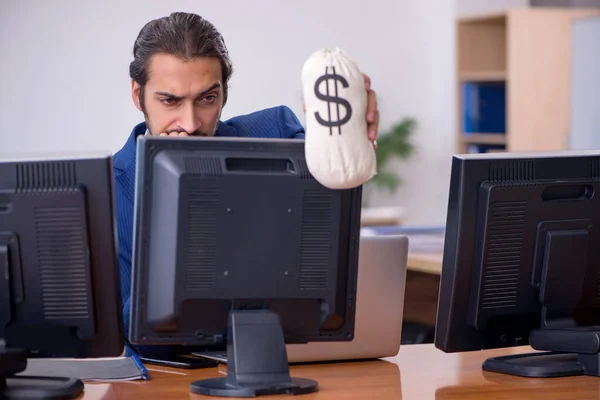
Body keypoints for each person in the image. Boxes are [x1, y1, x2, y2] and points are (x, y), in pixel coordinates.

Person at [112, 11, 380, 358]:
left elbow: (330, 221)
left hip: (288, 363)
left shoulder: (277, 131)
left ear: (224, 92)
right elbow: (131, 335)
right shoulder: (110, 189)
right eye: (170, 101)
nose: (191, 123)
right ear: (138, 95)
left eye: (208, 98)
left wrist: (346, 128)